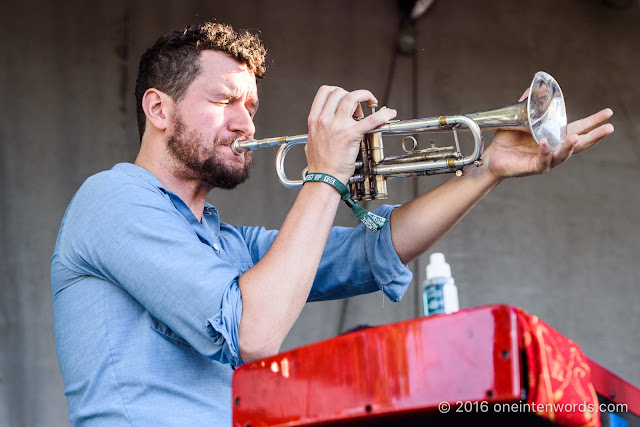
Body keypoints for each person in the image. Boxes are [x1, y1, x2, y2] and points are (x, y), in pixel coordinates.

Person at [51, 22, 614, 426]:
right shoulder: (112, 199)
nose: (245, 122)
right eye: (224, 100)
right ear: (158, 110)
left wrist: (487, 167)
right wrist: (325, 175)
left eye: (250, 105)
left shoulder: (222, 242)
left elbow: (370, 254)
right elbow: (252, 333)